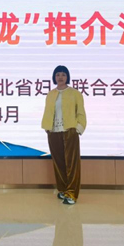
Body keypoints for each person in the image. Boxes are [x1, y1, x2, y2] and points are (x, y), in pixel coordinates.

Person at [41, 65, 86, 205]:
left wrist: (78, 128)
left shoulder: (75, 93)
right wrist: (47, 128)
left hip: (69, 130)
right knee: (58, 162)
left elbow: (81, 112)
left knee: (72, 164)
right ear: (54, 77)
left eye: (63, 74)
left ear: (67, 77)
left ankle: (72, 193)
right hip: (53, 131)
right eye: (58, 74)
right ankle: (62, 189)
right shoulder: (51, 94)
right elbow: (48, 112)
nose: (60, 77)